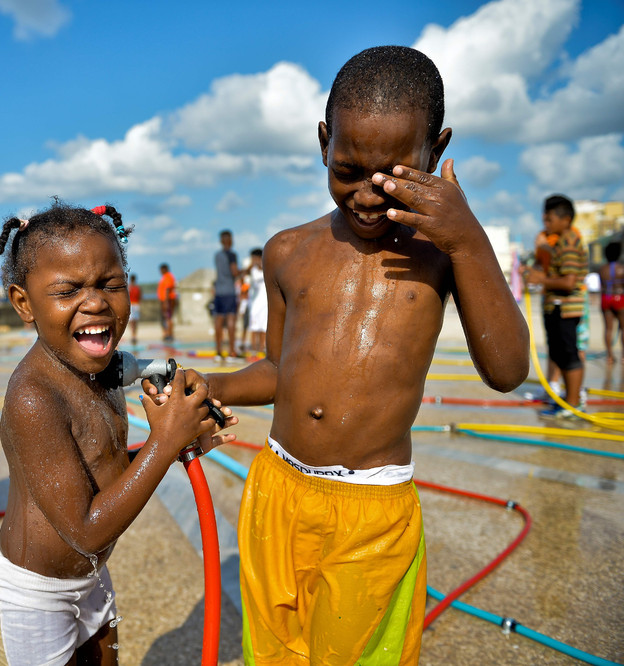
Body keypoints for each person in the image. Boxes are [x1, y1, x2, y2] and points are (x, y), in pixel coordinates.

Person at [172, 46, 529, 664]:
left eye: (391, 173)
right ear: (322, 144)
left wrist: (468, 239)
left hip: (372, 508)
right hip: (277, 492)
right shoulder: (288, 250)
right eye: (346, 168)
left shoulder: (444, 253)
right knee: (277, 652)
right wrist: (212, 386)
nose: (366, 193)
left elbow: (507, 371)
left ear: (435, 151)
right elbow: (280, 372)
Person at [0, 202, 235, 665]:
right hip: (33, 594)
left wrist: (174, 441)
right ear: (23, 302)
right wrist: (163, 443)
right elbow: (86, 528)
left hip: (90, 577)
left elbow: (101, 466)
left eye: (110, 284)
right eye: (67, 289)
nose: (95, 302)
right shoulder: (33, 397)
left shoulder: (106, 368)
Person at [524, 194, 589, 418]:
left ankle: (572, 404)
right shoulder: (560, 242)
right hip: (556, 307)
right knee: (560, 354)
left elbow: (569, 282)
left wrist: (541, 280)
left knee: (569, 354)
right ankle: (567, 402)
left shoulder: (570, 241)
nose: (546, 223)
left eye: (550, 219)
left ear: (566, 219)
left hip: (567, 308)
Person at [213, 230, 240, 360]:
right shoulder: (232, 255)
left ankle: (218, 351)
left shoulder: (217, 255)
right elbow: (234, 272)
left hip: (219, 291)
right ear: (230, 240)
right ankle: (231, 351)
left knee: (218, 321)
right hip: (229, 291)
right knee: (231, 321)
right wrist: (247, 270)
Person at [600, 241, 624, 363]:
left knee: (608, 329)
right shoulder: (621, 268)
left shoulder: (602, 269)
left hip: (606, 298)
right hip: (619, 298)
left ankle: (609, 356)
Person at [245, 248, 266, 354]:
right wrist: (252, 264)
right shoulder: (252, 270)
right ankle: (254, 348)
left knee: (263, 327)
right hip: (254, 303)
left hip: (265, 304)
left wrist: (260, 263)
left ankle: (261, 348)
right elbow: (246, 272)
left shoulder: (266, 268)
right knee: (254, 326)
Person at [157, 262, 177, 343]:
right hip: (165, 300)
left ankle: (170, 334)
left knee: (168, 317)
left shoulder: (168, 277)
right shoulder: (165, 277)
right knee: (166, 317)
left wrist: (166, 302)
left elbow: (167, 290)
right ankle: (167, 333)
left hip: (168, 300)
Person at [128, 273, 142, 347]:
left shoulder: (131, 288)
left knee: (133, 321)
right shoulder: (136, 288)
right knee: (133, 321)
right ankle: (133, 335)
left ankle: (134, 335)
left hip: (134, 304)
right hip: (135, 304)